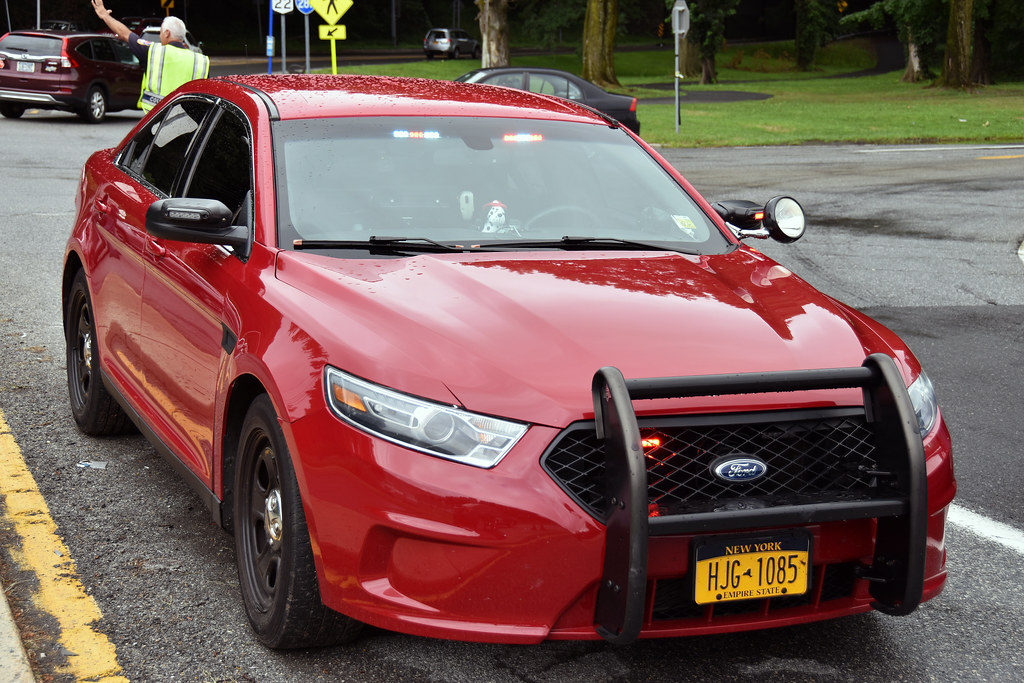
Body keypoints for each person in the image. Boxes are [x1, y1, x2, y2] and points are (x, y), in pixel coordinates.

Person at [90, 0, 210, 112]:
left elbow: (124, 34)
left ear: (167, 33)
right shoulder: (200, 61)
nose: (160, 36)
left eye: (161, 32)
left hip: (157, 120)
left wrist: (105, 16)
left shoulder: (154, 51)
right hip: (187, 122)